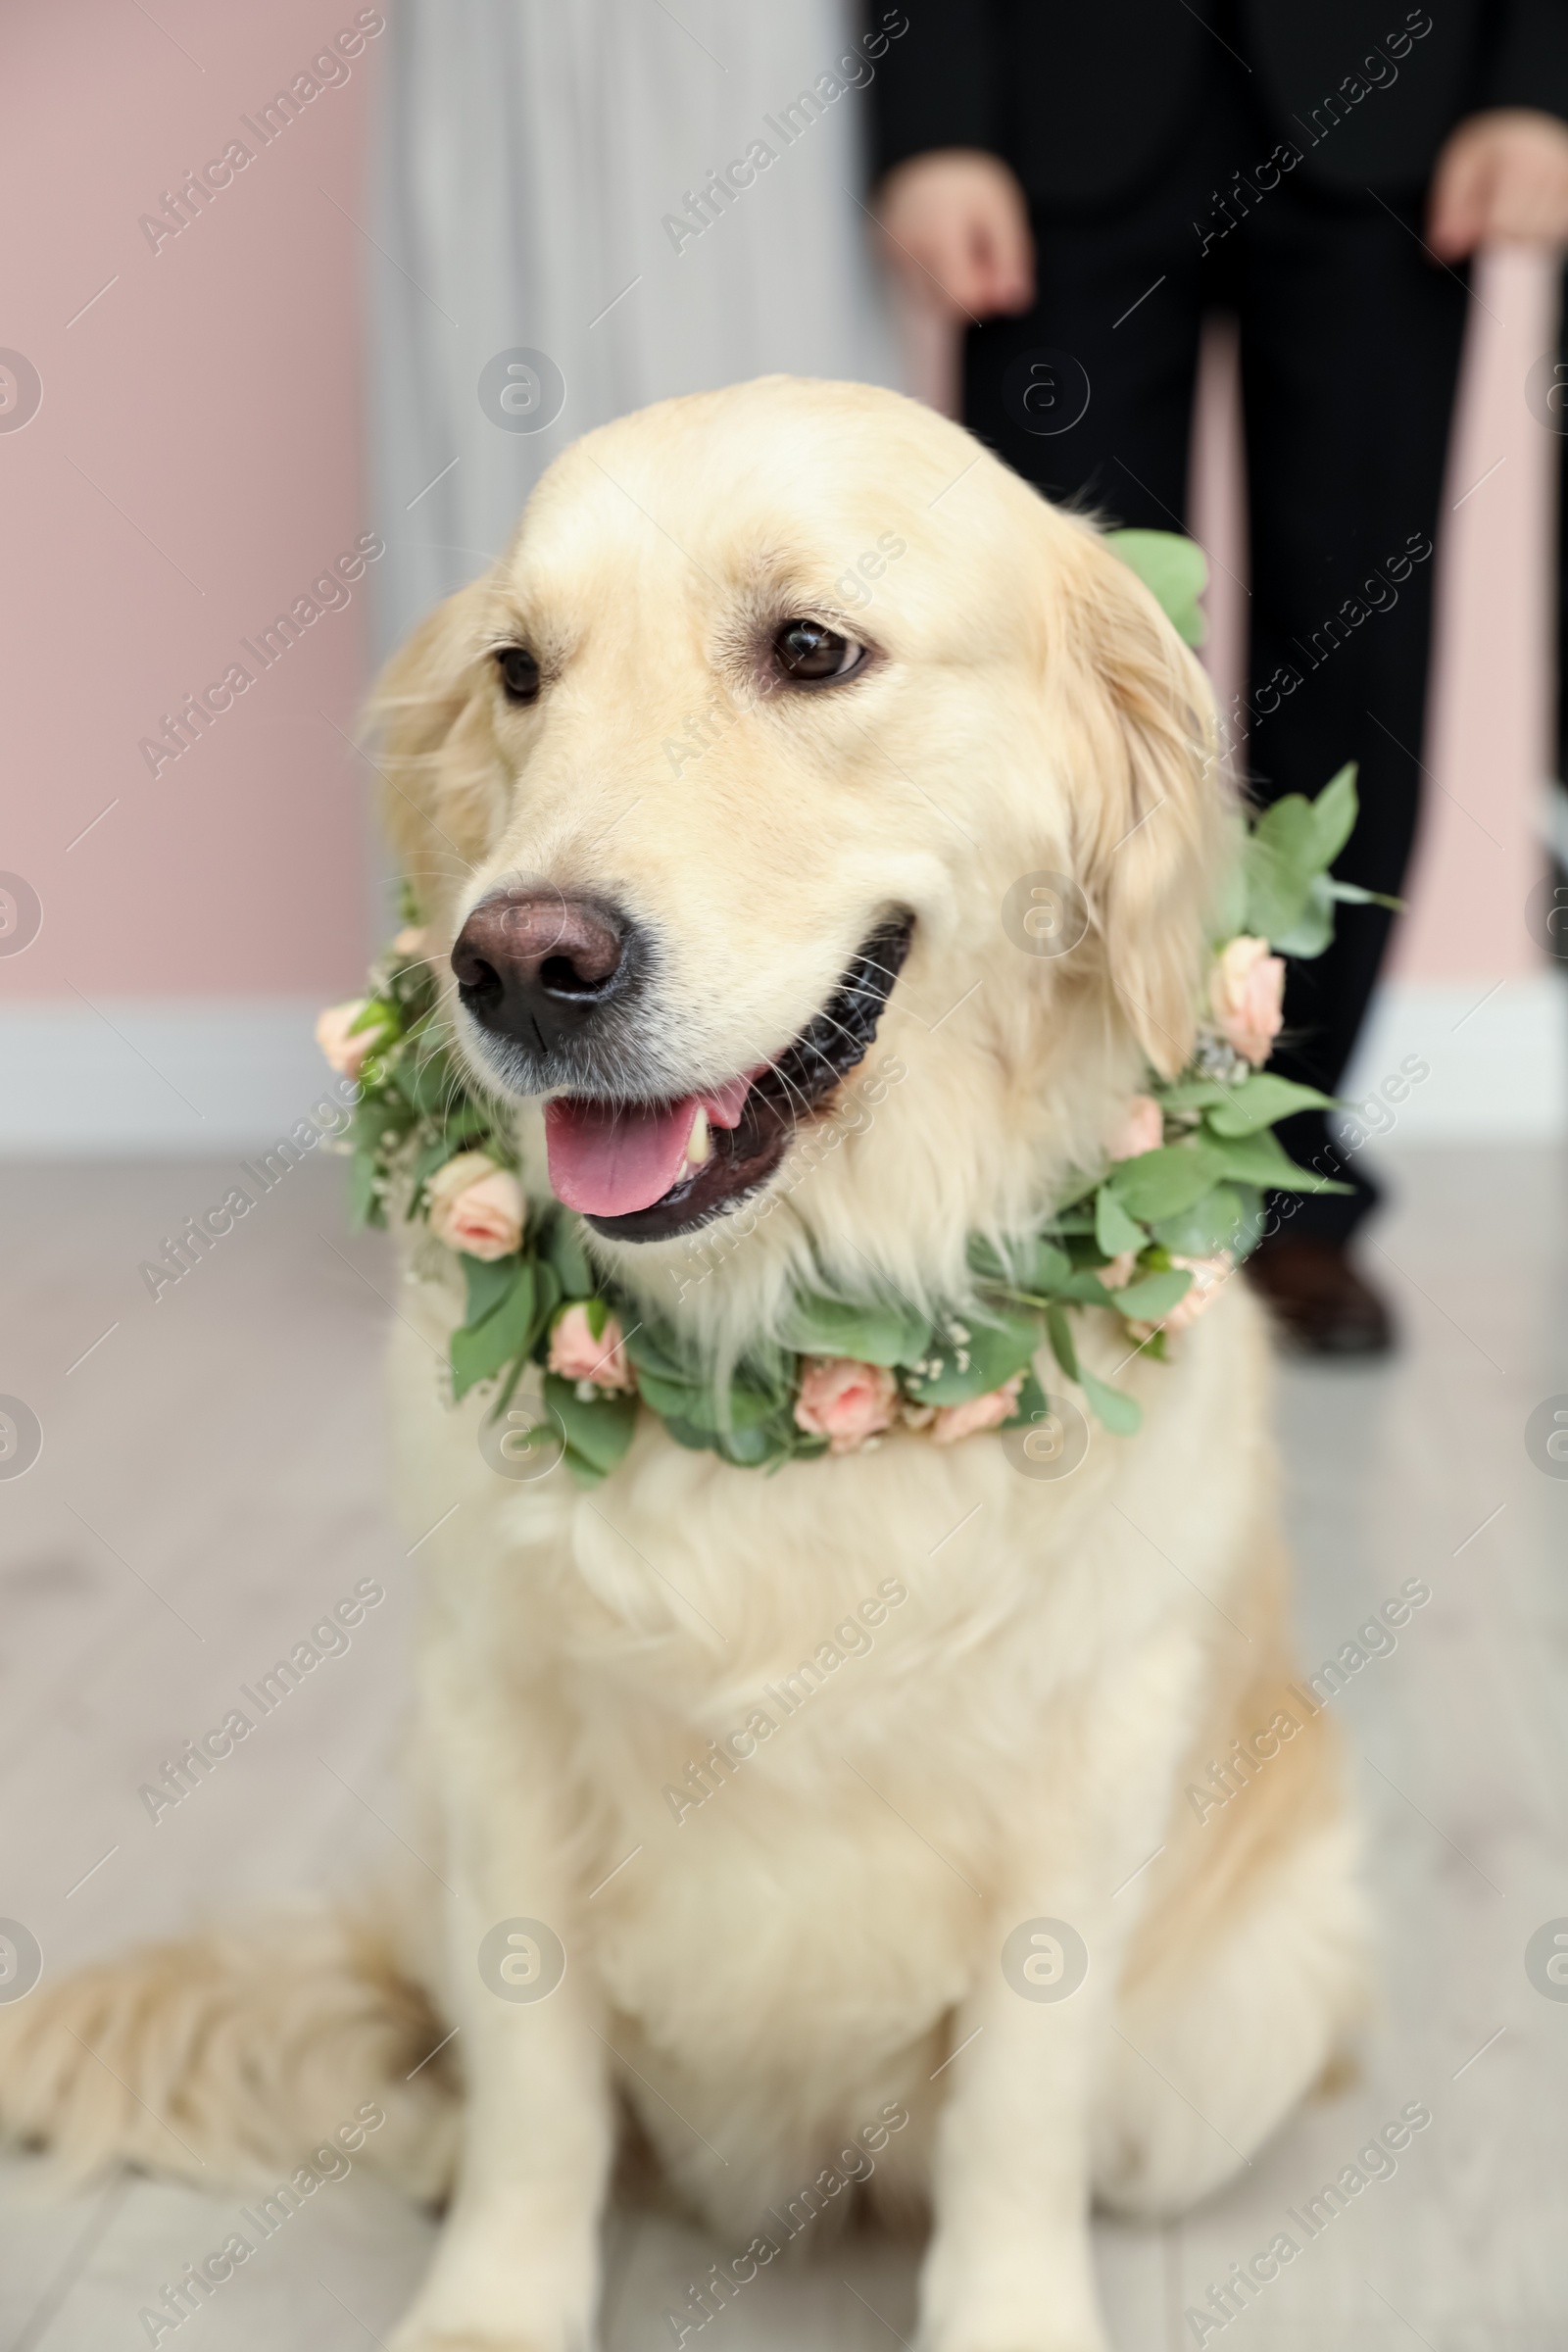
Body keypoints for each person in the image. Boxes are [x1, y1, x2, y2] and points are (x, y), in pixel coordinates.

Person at [871, 2, 1568, 1354]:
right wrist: (932, 119)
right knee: (1046, 664)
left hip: (1395, 103)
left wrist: (1540, 77)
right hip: (1052, 116)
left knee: (1358, 648)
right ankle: (1061, 1167)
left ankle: (1284, 1183)